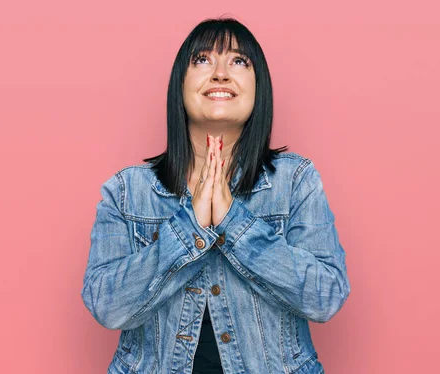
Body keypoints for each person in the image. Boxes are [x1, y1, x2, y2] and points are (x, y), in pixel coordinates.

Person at [81, 17, 351, 374]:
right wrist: (188, 229)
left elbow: (325, 297)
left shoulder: (295, 181)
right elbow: (107, 305)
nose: (221, 74)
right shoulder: (127, 192)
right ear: (181, 84)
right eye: (203, 60)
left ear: (259, 88)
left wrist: (234, 223)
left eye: (239, 62)